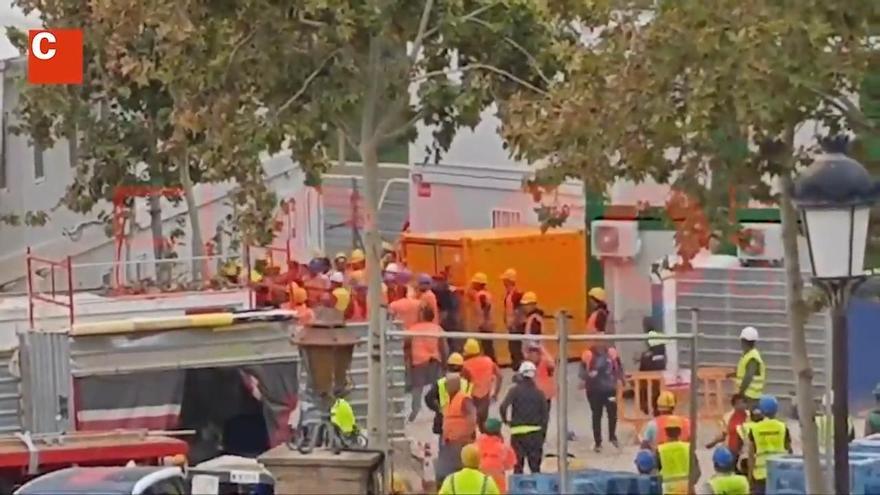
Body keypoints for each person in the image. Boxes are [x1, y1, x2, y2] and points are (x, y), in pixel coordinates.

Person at [499, 361, 548, 475]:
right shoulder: (539, 393)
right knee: (535, 468)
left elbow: (503, 407)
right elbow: (545, 415)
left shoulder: (514, 391)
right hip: (535, 434)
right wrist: (542, 433)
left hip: (518, 433)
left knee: (518, 467)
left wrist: (506, 421)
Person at [580, 340, 624, 452]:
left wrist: (621, 379)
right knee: (596, 415)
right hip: (594, 391)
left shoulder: (611, 353)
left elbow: (619, 368)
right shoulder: (588, 355)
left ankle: (612, 437)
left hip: (610, 390)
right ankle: (597, 441)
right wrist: (588, 375)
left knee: (612, 414)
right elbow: (581, 373)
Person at [405, 305, 447, 422]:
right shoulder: (437, 328)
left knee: (417, 387)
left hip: (418, 361)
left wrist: (407, 360)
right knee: (440, 385)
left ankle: (415, 410)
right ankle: (445, 407)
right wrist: (445, 362)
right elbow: (443, 347)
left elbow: (406, 345)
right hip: (435, 360)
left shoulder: (413, 328)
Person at [436, 374, 478, 485]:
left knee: (456, 469)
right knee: (447, 470)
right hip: (450, 442)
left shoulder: (463, 398)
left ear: (455, 385)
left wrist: (466, 435)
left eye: (447, 385)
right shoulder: (450, 399)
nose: (446, 387)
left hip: (460, 442)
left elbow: (472, 417)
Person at [747, 395, 791, 495]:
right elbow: (789, 451)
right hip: (780, 473)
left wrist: (750, 478)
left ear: (761, 410)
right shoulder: (783, 427)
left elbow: (751, 456)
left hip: (761, 475)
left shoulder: (755, 429)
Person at [425, 354, 473, 439]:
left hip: (444, 422)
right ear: (462, 368)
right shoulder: (467, 384)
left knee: (445, 449)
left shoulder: (440, 383)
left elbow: (428, 398)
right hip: (461, 423)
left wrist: (439, 409)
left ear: (448, 366)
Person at [462, 338, 502, 432]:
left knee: (470, 427)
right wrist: (496, 393)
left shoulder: (465, 365)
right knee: (483, 426)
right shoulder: (488, 361)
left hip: (471, 398)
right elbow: (500, 376)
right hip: (485, 397)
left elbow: (463, 384)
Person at [657, 415, 699, 495]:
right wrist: (690, 484)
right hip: (687, 489)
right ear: (680, 432)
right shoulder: (688, 447)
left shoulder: (660, 450)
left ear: (666, 432)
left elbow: (655, 472)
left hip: (668, 490)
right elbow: (697, 472)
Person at [476, 418, 517, 494]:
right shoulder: (504, 447)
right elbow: (511, 464)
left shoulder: (476, 445)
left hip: (480, 478)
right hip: (498, 480)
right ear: (499, 431)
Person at [638, 316, 667, 415]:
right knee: (654, 387)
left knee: (645, 384)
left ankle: (646, 405)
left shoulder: (651, 335)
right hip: (659, 363)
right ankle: (653, 406)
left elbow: (654, 352)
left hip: (654, 364)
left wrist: (645, 356)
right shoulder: (657, 335)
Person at [730, 326, 765, 408]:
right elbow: (743, 373)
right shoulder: (748, 355)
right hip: (748, 395)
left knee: (747, 419)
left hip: (750, 397)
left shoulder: (752, 357)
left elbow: (748, 376)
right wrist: (731, 374)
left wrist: (740, 393)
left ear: (743, 341)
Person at [525, 341, 555, 432]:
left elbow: (552, 363)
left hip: (545, 396)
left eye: (535, 352)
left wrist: (542, 348)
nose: (532, 355)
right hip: (532, 397)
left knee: (544, 419)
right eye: (530, 353)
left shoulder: (545, 362)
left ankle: (542, 436)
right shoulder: (526, 365)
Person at [468, 272, 496, 361]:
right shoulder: (485, 293)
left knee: (487, 347)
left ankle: (492, 364)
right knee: (488, 346)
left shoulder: (481, 295)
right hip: (487, 324)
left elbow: (485, 308)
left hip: (485, 325)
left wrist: (483, 322)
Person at [501, 269, 524, 369]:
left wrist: (515, 323)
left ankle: (519, 366)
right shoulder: (509, 294)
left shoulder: (516, 295)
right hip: (511, 326)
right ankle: (516, 365)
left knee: (516, 347)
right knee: (513, 347)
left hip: (516, 326)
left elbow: (519, 310)